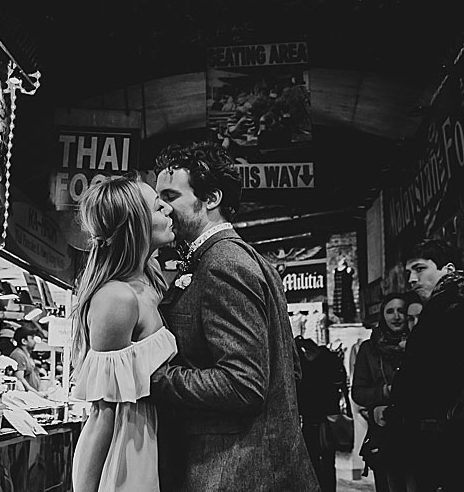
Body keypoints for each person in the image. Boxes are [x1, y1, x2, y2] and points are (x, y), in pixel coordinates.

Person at [149, 142, 317, 492]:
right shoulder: (236, 258)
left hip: (234, 472)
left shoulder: (222, 264)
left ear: (211, 199)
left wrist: (155, 378)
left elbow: (243, 384)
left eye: (170, 195)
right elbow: (290, 369)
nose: (160, 207)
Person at [70, 174, 177, 492]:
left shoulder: (148, 281)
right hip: (127, 458)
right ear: (137, 224)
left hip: (152, 446)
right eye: (159, 207)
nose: (169, 210)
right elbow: (101, 415)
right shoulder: (116, 298)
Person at [382, 239, 464, 492]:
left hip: (449, 439)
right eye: (409, 272)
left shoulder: (457, 307)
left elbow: (435, 380)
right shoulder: (443, 306)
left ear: (447, 269)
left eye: (420, 269)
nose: (412, 279)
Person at [351, 291, 412, 492]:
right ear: (383, 315)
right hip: (384, 433)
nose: (396, 317)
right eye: (390, 311)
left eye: (401, 311)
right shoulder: (369, 349)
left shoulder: (418, 345)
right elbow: (358, 392)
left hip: (414, 431)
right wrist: (385, 392)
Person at [295, 336, 348, 492]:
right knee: (322, 463)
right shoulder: (327, 360)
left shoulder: (318, 362)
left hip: (317, 421)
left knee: (317, 463)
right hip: (318, 419)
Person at [8, 326, 42, 392]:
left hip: (32, 394)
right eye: (32, 338)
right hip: (26, 396)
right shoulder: (18, 355)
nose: (34, 341)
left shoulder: (26, 354)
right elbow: (20, 378)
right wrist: (36, 393)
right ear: (24, 341)